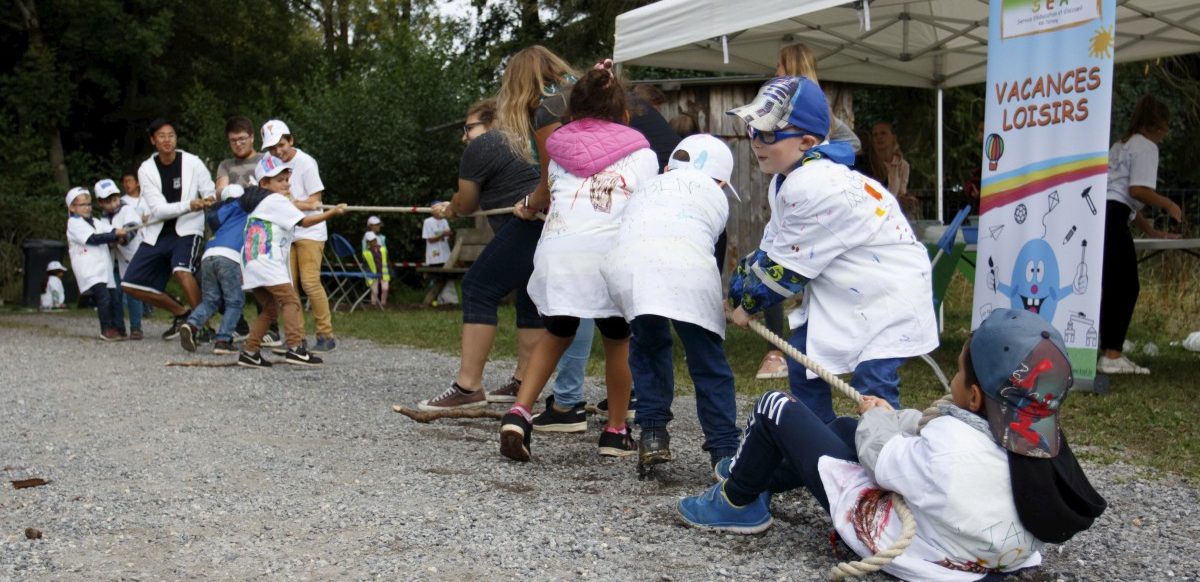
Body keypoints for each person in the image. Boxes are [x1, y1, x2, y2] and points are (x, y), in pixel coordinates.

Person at [676, 309, 1107, 582]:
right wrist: (880, 417)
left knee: (776, 407)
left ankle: (737, 501)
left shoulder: (949, 445)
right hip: (982, 553)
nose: (952, 382)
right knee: (844, 427)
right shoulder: (1044, 448)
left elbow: (882, 458)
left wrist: (877, 418)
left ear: (975, 397)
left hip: (909, 543)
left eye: (958, 375)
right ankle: (762, 477)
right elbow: (925, 431)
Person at [726, 76, 938, 423]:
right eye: (752, 130)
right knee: (803, 358)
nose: (756, 143)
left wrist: (747, 306)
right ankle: (819, 446)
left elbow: (784, 273)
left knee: (874, 380)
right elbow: (769, 250)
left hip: (889, 294)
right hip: (853, 292)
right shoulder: (786, 181)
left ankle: (886, 462)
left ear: (807, 141)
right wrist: (737, 290)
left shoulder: (813, 185)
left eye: (768, 134)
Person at [498, 66, 660, 462]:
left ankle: (519, 413)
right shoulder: (642, 155)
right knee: (618, 340)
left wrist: (529, 206)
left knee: (556, 332)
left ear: (571, 112)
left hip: (558, 254)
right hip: (608, 256)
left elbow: (547, 195)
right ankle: (616, 430)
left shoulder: (558, 151)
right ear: (624, 115)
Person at [417, 49, 573, 411]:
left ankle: (468, 387)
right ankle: (522, 381)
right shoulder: (532, 134)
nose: (464, 137)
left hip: (533, 221)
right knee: (529, 294)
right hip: (560, 224)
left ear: (487, 123)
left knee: (477, 286)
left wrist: (449, 208)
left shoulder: (486, 145)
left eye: (468, 128)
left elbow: (467, 204)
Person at [601, 134, 742, 469]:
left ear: (668, 166)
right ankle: (724, 452)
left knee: (648, 345)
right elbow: (708, 251)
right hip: (686, 268)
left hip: (628, 267)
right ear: (722, 182)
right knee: (706, 360)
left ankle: (652, 434)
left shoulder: (649, 187)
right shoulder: (715, 197)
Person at [752, 41, 867, 381]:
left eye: (779, 66)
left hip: (811, 193)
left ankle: (787, 350)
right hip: (788, 187)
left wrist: (821, 156)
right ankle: (791, 349)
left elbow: (854, 143)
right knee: (775, 257)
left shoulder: (813, 108)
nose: (775, 73)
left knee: (782, 260)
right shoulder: (780, 101)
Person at [1099, 95, 1183, 375]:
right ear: (1156, 126)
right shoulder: (1146, 147)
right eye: (1165, 127)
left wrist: (1152, 230)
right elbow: (1137, 191)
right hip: (1114, 218)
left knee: (1111, 286)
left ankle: (1107, 351)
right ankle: (1112, 355)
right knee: (1126, 287)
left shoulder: (1121, 145)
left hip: (1104, 216)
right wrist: (1169, 204)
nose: (1165, 133)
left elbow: (1123, 198)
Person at [236, 155, 346, 368]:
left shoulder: (260, 203)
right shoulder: (275, 200)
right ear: (264, 184)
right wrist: (331, 212)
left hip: (250, 262)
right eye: (279, 180)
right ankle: (295, 348)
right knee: (291, 301)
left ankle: (250, 351)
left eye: (287, 179)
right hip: (266, 261)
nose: (286, 184)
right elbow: (304, 221)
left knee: (269, 310)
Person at [119, 119, 216, 340]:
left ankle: (205, 327)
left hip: (188, 229)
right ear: (153, 140)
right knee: (129, 283)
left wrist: (209, 199)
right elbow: (159, 209)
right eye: (161, 136)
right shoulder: (146, 169)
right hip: (157, 233)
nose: (167, 140)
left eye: (171, 135)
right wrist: (190, 204)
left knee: (181, 271)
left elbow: (210, 191)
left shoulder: (193, 162)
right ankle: (181, 313)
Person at [260, 119, 337, 354]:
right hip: (285, 231)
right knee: (288, 285)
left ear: (290, 140)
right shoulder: (268, 163)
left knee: (310, 282)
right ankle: (297, 337)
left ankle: (325, 334)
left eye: (281, 145)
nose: (278, 151)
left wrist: (294, 204)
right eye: (273, 148)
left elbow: (316, 201)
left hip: (310, 230)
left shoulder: (306, 162)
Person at [179, 184, 250, 355]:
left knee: (211, 300)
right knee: (235, 301)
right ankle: (223, 340)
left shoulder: (219, 215)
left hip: (208, 254)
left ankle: (192, 324)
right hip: (229, 256)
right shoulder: (245, 209)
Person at [65, 187, 128, 341]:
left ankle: (118, 328)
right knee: (104, 297)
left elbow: (110, 230)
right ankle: (106, 329)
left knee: (114, 297)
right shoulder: (73, 223)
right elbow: (93, 239)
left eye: (89, 204)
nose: (87, 207)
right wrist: (114, 235)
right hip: (89, 268)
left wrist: (120, 232)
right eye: (83, 205)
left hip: (103, 267)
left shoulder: (96, 222)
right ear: (72, 207)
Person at [95, 178, 143, 339]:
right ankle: (119, 328)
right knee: (114, 294)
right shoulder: (102, 219)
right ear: (100, 203)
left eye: (115, 199)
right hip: (114, 260)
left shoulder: (127, 210)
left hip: (131, 257)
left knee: (132, 293)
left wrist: (122, 238)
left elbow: (132, 229)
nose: (114, 204)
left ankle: (136, 328)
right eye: (108, 201)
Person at [859, 120, 914, 215]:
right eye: (875, 135)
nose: (879, 137)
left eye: (883, 133)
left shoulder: (903, 165)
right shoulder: (867, 163)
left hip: (890, 212)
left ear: (893, 137)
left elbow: (901, 193)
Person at [422, 202, 458, 306]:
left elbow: (447, 237)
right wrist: (442, 234)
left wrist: (448, 234)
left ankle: (450, 300)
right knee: (437, 278)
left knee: (448, 277)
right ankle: (437, 299)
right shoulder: (428, 222)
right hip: (434, 257)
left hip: (445, 255)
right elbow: (429, 239)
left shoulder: (445, 221)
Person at [362, 231, 391, 308]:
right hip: (373, 274)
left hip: (383, 273)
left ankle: (383, 303)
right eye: (371, 241)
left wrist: (389, 270)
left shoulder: (383, 250)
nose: (373, 242)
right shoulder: (366, 253)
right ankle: (373, 304)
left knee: (385, 288)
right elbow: (365, 265)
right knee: (374, 291)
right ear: (368, 242)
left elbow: (387, 261)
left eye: (374, 240)